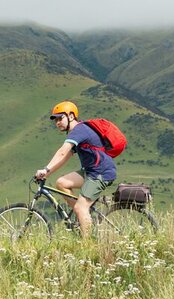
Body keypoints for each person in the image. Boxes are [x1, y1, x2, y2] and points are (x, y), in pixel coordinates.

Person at [35, 101, 116, 238]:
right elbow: (65, 157)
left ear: (71, 116)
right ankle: (83, 217)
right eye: (56, 120)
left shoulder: (79, 130)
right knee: (61, 183)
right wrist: (47, 173)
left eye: (60, 118)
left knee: (80, 207)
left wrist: (46, 169)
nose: (58, 122)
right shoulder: (77, 132)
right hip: (91, 171)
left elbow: (62, 151)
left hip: (101, 173)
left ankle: (88, 244)